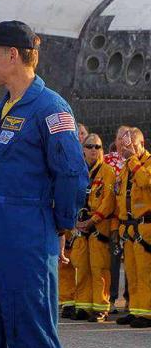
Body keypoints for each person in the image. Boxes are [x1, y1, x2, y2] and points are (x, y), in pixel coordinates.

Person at [0, 21, 87, 348]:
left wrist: (62, 226)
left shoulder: (50, 108)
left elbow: (72, 174)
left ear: (12, 55)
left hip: (28, 241)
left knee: (32, 336)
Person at [69, 133, 115, 322]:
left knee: (99, 268)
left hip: (98, 227)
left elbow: (108, 201)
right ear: (83, 149)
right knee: (81, 267)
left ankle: (101, 307)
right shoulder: (77, 172)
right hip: (80, 227)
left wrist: (92, 220)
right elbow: (70, 197)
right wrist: (75, 221)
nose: (94, 150)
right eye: (89, 146)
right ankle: (83, 305)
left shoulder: (108, 172)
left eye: (97, 146)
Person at [113, 128, 151, 328]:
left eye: (132, 146)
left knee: (145, 273)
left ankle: (147, 313)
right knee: (132, 273)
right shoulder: (127, 167)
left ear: (142, 144)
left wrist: (132, 160)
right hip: (129, 228)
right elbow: (121, 196)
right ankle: (137, 310)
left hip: (146, 227)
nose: (128, 150)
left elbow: (145, 181)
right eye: (126, 147)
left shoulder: (144, 163)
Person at [104, 125, 131, 314]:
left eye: (128, 136)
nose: (124, 140)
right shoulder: (107, 161)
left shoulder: (137, 161)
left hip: (131, 220)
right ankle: (112, 299)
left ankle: (131, 299)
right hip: (111, 220)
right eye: (121, 136)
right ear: (115, 139)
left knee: (131, 263)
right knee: (112, 261)